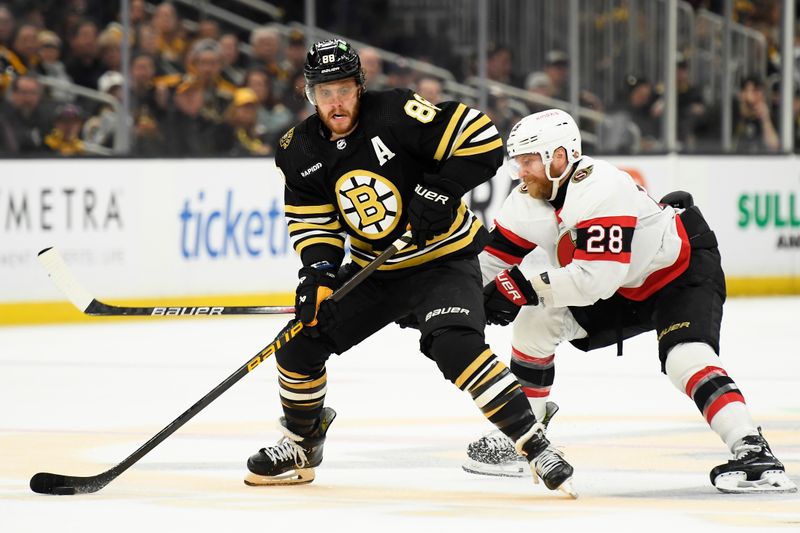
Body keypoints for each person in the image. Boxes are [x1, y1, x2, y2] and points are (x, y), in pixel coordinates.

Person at [244, 39, 576, 497]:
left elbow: (481, 138)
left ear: (360, 87)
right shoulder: (298, 149)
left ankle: (533, 444)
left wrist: (441, 189)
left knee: (455, 347)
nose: (335, 102)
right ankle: (303, 442)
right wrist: (317, 274)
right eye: (325, 92)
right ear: (309, 94)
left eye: (343, 89)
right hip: (375, 271)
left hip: (444, 259)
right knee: (298, 346)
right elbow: (313, 222)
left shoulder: (397, 112)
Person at [462, 108, 797, 494]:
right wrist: (445, 298)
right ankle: (525, 429)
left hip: (678, 272)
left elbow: (593, 281)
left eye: (529, 160)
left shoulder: (602, 187)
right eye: (517, 161)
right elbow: (488, 265)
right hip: (622, 286)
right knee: (536, 319)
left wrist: (519, 285)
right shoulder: (526, 201)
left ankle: (753, 450)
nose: (521, 172)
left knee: (685, 357)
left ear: (559, 156)